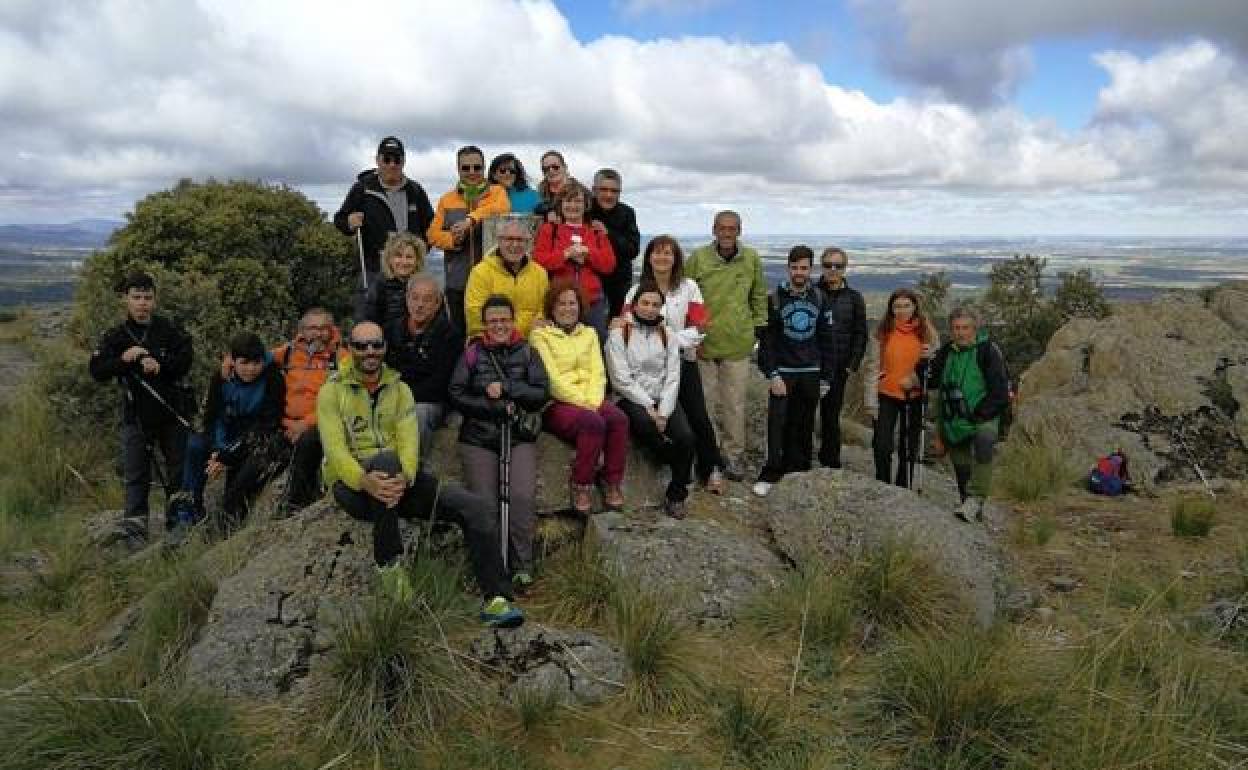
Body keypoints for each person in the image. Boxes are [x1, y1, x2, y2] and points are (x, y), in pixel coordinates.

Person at [318, 321, 524, 626]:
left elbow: (409, 442)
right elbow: (335, 451)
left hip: (398, 482)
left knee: (475, 506)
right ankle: (388, 564)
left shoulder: (400, 390)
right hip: (353, 487)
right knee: (386, 461)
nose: (369, 352)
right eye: (361, 346)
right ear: (350, 349)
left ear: (385, 347)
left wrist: (408, 476)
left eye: (376, 344)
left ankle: (496, 599)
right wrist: (365, 480)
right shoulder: (331, 392)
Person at [449, 296, 550, 588]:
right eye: (493, 321)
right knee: (484, 504)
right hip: (478, 437)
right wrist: (489, 406)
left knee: (521, 496)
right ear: (485, 324)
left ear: (513, 319)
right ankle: (490, 569)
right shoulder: (471, 353)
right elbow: (455, 393)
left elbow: (541, 392)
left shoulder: (529, 352)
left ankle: (521, 565)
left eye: (504, 320)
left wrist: (508, 388)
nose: (499, 326)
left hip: (518, 436)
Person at [89, 271, 193, 547]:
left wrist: (157, 362)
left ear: (155, 299)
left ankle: (178, 527)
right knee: (136, 475)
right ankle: (135, 533)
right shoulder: (116, 336)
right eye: (136, 297)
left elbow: (185, 360)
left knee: (178, 472)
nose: (142, 303)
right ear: (126, 300)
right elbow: (97, 370)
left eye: (147, 297)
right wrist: (125, 359)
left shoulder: (169, 330)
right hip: (135, 415)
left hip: (171, 412)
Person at [621, 235, 727, 494]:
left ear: (676, 258)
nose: (662, 258)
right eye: (657, 253)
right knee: (658, 418)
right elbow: (626, 326)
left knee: (698, 417)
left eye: (668, 253)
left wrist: (669, 340)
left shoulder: (688, 287)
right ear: (648, 258)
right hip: (650, 369)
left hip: (683, 361)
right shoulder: (637, 290)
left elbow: (700, 327)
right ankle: (676, 464)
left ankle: (711, 467)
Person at [530, 281, 629, 515]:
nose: (567, 308)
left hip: (591, 398)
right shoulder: (540, 335)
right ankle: (581, 484)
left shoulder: (590, 333)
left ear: (580, 306)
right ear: (551, 308)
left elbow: (598, 372)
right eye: (561, 303)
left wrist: (593, 402)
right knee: (592, 423)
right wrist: (587, 405)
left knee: (618, 419)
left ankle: (611, 481)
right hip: (557, 403)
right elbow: (552, 380)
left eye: (572, 303)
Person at [175, 333, 286, 536]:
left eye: (256, 363)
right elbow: (213, 417)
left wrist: (227, 455)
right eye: (244, 363)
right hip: (227, 431)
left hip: (253, 436)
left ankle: (225, 525)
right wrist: (219, 449)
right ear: (233, 361)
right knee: (195, 445)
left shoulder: (273, 378)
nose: (251, 369)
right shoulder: (221, 378)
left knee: (236, 484)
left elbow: (267, 423)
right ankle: (189, 510)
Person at [685, 210, 767, 480]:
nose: (727, 233)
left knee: (735, 404)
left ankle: (732, 456)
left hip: (738, 343)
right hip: (704, 343)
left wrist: (757, 328)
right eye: (722, 228)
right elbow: (687, 296)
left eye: (732, 228)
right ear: (714, 230)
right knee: (704, 404)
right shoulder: (699, 258)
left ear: (739, 230)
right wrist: (690, 335)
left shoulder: (751, 258)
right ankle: (708, 456)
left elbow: (758, 295)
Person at [607, 282, 693, 518]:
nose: (650, 309)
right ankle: (680, 467)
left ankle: (676, 495)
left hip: (662, 397)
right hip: (630, 396)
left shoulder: (668, 336)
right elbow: (620, 379)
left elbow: (673, 376)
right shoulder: (619, 334)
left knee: (685, 437)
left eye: (656, 304)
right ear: (635, 305)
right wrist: (650, 409)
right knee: (645, 425)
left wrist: (663, 411)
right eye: (645, 303)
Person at [752, 246, 829, 498]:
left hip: (811, 371)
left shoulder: (819, 298)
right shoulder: (775, 299)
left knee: (804, 424)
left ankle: (800, 471)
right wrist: (772, 374)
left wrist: (826, 378)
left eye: (804, 268)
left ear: (811, 269)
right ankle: (772, 471)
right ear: (788, 268)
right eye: (795, 267)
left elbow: (827, 340)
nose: (799, 272)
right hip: (783, 371)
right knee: (778, 423)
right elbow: (767, 342)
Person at [333, 136, 435, 317]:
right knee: (369, 321)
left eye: (397, 159)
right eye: (386, 159)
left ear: (403, 162)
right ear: (377, 160)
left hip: (409, 271)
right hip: (373, 270)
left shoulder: (415, 191)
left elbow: (432, 226)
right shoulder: (362, 189)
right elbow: (340, 219)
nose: (391, 164)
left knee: (411, 320)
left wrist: (420, 251)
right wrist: (349, 222)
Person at [929, 306, 1010, 522]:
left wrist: (980, 415)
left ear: (975, 328)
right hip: (954, 418)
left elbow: (1001, 392)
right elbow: (933, 382)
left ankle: (975, 500)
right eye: (956, 328)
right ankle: (969, 503)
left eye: (965, 328)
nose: (960, 333)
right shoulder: (946, 352)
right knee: (960, 462)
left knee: (984, 442)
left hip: (983, 416)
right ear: (950, 330)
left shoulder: (988, 351)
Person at [384, 275, 465, 472]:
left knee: (418, 413)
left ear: (437, 304)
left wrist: (403, 396)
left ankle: (410, 472)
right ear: (407, 299)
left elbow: (440, 383)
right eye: (415, 298)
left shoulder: (450, 335)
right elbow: (385, 372)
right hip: (393, 396)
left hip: (431, 402)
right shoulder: (390, 331)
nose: (419, 305)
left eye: (427, 299)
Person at [271, 307, 348, 511]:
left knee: (308, 443)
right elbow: (256, 358)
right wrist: (229, 361)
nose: (318, 333)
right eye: (312, 328)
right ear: (302, 331)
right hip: (287, 423)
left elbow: (343, 400)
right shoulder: (288, 353)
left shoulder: (341, 358)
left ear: (331, 330)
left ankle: (293, 504)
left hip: (320, 423)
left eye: (324, 328)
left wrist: (305, 424)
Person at [427, 145, 511, 331]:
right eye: (466, 168)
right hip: (457, 282)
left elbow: (501, 208)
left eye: (477, 167)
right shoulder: (446, 199)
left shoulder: (497, 192)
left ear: (484, 167)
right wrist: (453, 239)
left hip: (492, 282)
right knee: (458, 336)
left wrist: (471, 219)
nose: (472, 172)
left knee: (491, 333)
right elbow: (432, 235)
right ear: (458, 170)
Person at [864, 289, 939, 488]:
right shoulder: (882, 333)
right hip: (886, 394)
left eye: (907, 305)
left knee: (909, 446)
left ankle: (902, 486)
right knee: (882, 444)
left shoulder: (926, 332)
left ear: (915, 307)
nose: (902, 310)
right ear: (891, 308)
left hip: (914, 396)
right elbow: (872, 367)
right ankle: (882, 484)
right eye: (897, 306)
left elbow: (934, 366)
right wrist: (870, 401)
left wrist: (917, 376)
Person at [533, 179, 615, 341]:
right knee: (560, 346)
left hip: (592, 301)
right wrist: (566, 254)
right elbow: (539, 260)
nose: (573, 206)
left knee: (596, 343)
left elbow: (609, 264)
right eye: (568, 200)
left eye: (578, 201)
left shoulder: (596, 231)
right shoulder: (550, 229)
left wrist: (588, 254)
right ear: (560, 204)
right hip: (560, 302)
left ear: (586, 205)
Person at [815, 247, 868, 469]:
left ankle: (830, 461)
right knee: (803, 413)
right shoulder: (811, 292)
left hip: (838, 367)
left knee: (831, 415)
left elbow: (860, 333)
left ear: (845, 268)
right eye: (828, 265)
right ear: (822, 267)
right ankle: (798, 459)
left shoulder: (854, 298)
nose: (833, 270)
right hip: (811, 364)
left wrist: (851, 366)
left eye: (838, 266)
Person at [464, 217, 549, 341]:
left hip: (532, 341)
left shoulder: (540, 273)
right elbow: (475, 317)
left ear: (528, 243)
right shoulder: (480, 272)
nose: (515, 244)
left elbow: (544, 311)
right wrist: (518, 332)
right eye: (509, 239)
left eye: (520, 240)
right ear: (499, 241)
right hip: (491, 342)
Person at [588, 168, 640, 319]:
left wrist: (608, 234)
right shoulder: (584, 209)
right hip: (591, 279)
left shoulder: (627, 213)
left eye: (614, 191)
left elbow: (633, 250)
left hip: (619, 282)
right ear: (594, 190)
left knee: (617, 326)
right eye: (604, 189)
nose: (609, 195)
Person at [360, 232, 426, 325]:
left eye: (409, 257)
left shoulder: (425, 286)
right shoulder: (378, 287)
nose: (404, 262)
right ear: (389, 259)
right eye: (398, 256)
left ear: (417, 261)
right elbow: (368, 322)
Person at [534, 149, 569, 223]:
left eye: (555, 167)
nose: (551, 171)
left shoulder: (580, 192)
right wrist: (546, 211)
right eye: (546, 169)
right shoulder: (538, 194)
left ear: (565, 167)